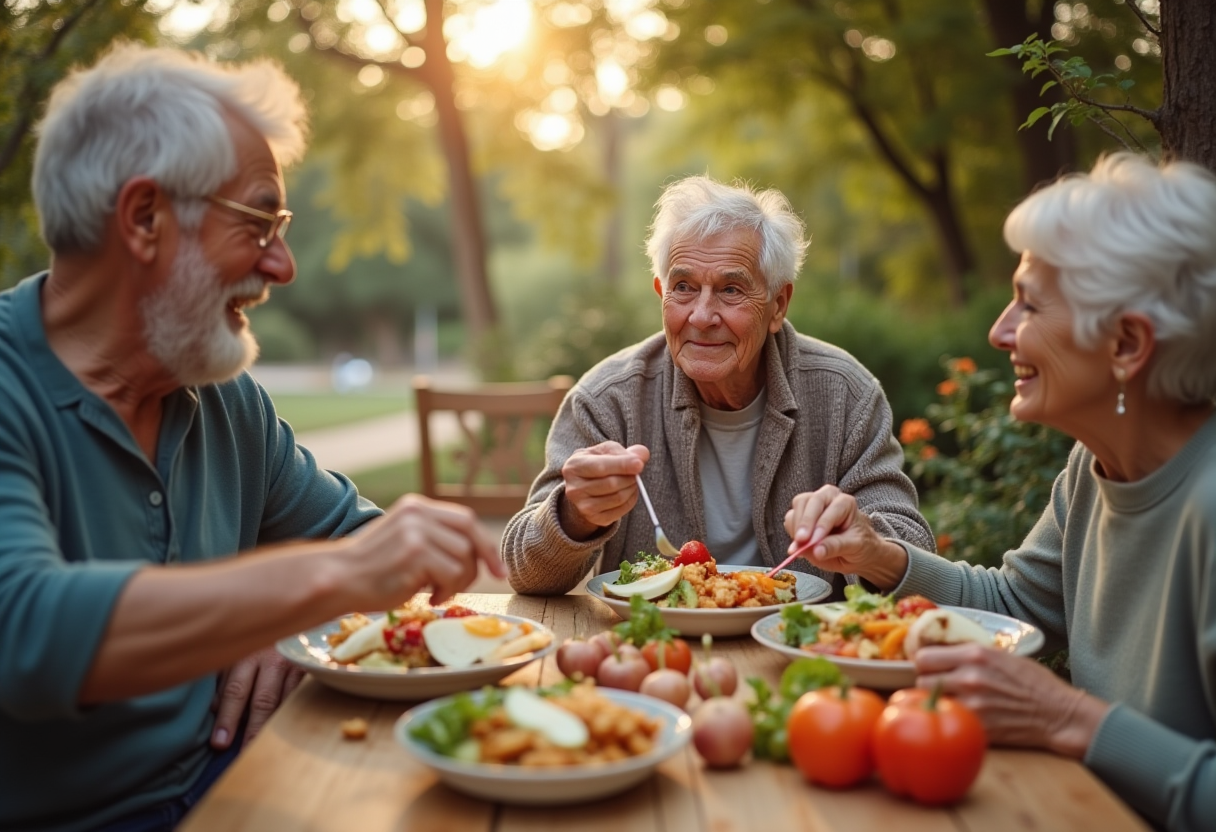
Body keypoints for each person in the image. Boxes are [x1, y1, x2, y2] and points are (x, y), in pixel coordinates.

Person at [0, 44, 503, 832]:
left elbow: (364, 541)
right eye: (260, 221)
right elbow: (25, 631)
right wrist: (320, 585)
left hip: (244, 784)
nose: (284, 264)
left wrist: (298, 624)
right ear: (144, 219)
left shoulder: (223, 397)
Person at [786, 154, 1216, 831]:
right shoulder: (1092, 468)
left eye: (1030, 304)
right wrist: (876, 555)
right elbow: (1015, 606)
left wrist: (1070, 717)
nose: (999, 331)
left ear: (1128, 344)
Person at [502, 175, 933, 596]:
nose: (702, 316)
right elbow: (525, 573)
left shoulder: (846, 395)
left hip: (803, 649)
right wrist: (574, 515)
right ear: (661, 293)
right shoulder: (607, 399)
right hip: (652, 656)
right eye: (684, 287)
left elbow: (916, 552)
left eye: (730, 290)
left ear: (778, 304)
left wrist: (868, 543)